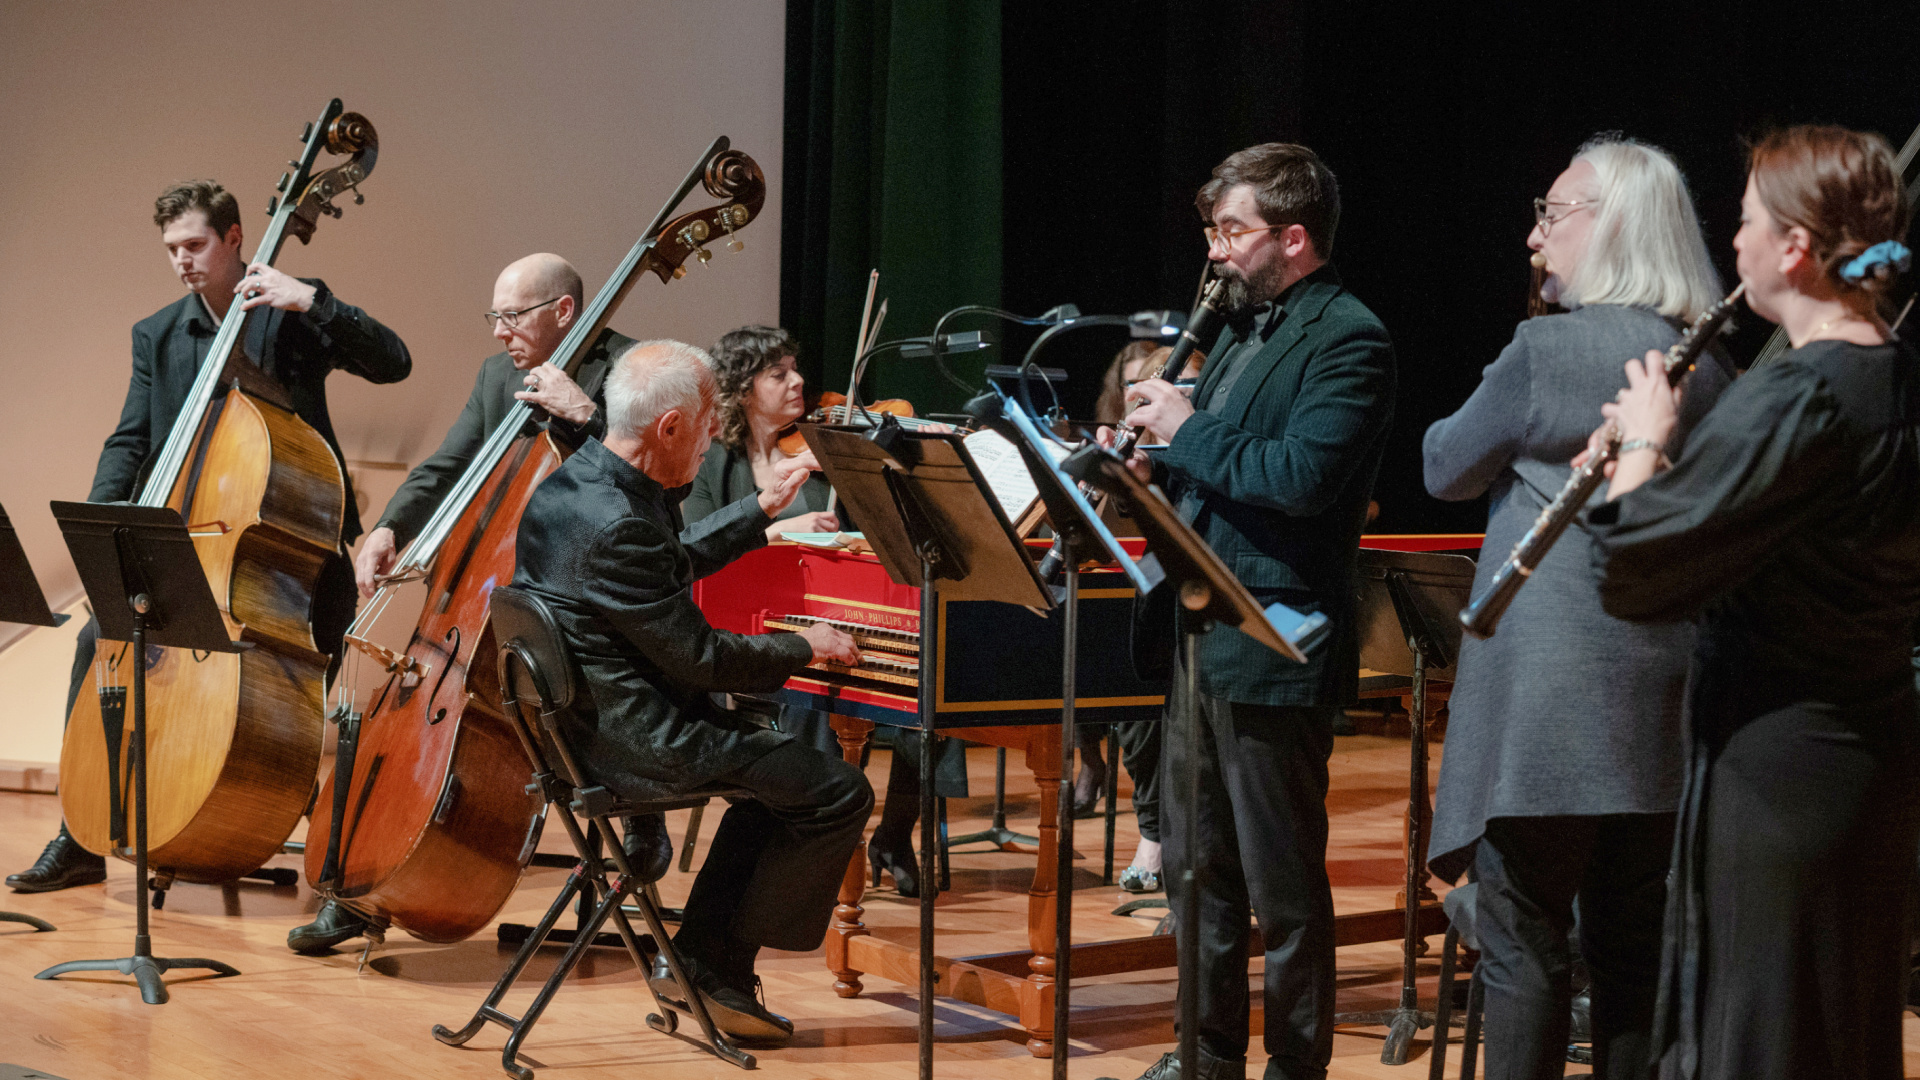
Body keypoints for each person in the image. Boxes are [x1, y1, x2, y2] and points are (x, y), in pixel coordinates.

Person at [1591, 125, 1920, 1080]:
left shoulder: (1801, 398)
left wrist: (1643, 444)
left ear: (1793, 249)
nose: (1728, 245)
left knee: (1765, 1038)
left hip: (1774, 775)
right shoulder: (1895, 376)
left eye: (1742, 222)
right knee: (1833, 1033)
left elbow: (1637, 573)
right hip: (1863, 765)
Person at [1422, 135, 1732, 1080]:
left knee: (1520, 936)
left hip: (1545, 710)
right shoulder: (1714, 369)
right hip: (1665, 695)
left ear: (1615, 227)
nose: (1533, 236)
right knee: (1633, 946)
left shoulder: (1545, 349)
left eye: (1552, 214)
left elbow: (1442, 465)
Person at [7, 179, 410, 894]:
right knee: (92, 636)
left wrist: (314, 301)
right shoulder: (158, 334)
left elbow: (392, 361)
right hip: (194, 541)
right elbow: (131, 440)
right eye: (171, 249)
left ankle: (342, 848)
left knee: (338, 684)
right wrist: (109, 526)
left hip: (299, 549)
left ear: (233, 239)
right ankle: (80, 837)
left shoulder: (290, 310)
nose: (182, 261)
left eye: (194, 245)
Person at [1099, 142, 1397, 1080]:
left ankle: (1296, 1066)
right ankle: (1205, 1055)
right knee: (1195, 871)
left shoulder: (1351, 338)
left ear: (1294, 238)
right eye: (1212, 231)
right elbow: (1216, 465)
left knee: (1284, 887)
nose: (1216, 251)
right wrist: (1150, 463)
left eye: (1232, 231)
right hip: (1197, 627)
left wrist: (1188, 430)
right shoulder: (1232, 328)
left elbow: (1301, 479)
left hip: (1277, 641)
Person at [513, 338, 872, 1045]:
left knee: (780, 779)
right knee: (838, 792)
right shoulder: (620, 520)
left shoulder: (578, 482)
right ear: (669, 427)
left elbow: (665, 565)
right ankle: (718, 966)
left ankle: (705, 965)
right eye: (709, 423)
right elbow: (703, 658)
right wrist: (805, 644)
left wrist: (759, 510)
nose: (715, 439)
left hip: (578, 729)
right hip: (634, 742)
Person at [285, 252, 615, 955]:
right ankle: (360, 887)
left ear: (563, 312)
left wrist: (585, 415)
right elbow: (448, 464)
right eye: (492, 315)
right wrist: (390, 527)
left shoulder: (623, 370)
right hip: (483, 602)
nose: (499, 331)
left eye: (513, 315)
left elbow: (653, 479)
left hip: (576, 598)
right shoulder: (499, 377)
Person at [1093, 340, 1203, 893]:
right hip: (1140, 591)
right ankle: (1156, 831)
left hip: (1192, 593)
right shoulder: (1134, 448)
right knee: (1133, 717)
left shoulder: (1200, 445)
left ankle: (1162, 842)